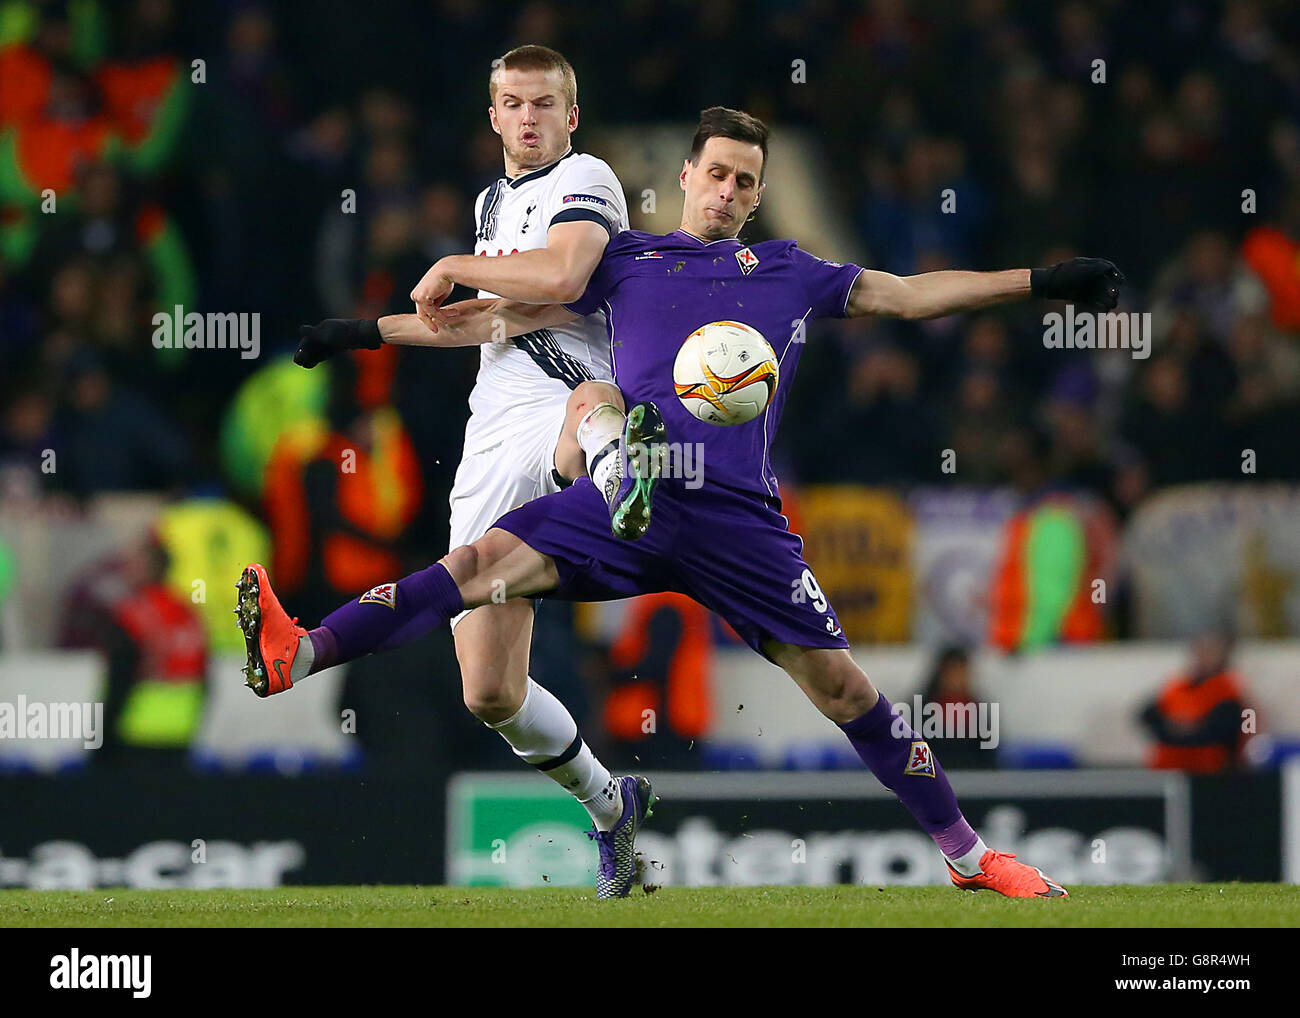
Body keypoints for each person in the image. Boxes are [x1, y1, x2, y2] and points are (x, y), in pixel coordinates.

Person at [249, 106, 1124, 898]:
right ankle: (306, 650)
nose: (729, 190)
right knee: (474, 566)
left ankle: (971, 859)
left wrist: (1041, 284)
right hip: (631, 494)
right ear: (685, 178)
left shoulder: (791, 270)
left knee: (846, 691)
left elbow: (908, 294)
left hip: (737, 521)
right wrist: (361, 333)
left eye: (747, 181)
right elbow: (490, 319)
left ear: (757, 197)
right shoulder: (626, 262)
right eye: (717, 173)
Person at [291, 46, 643, 879]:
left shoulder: (587, 179)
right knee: (489, 691)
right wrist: (363, 331)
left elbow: (563, 273)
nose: (529, 117)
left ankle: (619, 476)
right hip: (492, 426)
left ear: (572, 115)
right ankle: (611, 804)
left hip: (565, 397)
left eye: (545, 104)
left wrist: (447, 263)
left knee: (591, 408)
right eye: (514, 103)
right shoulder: (493, 202)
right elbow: (494, 318)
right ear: (493, 116)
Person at [1140, 631, 1248, 773]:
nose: (1205, 656)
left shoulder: (1229, 690)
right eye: (1201, 650)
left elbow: (1227, 729)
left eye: (1211, 651)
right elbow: (1148, 715)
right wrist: (1173, 728)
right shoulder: (1177, 687)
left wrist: (1189, 730)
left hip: (1209, 771)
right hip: (1167, 766)